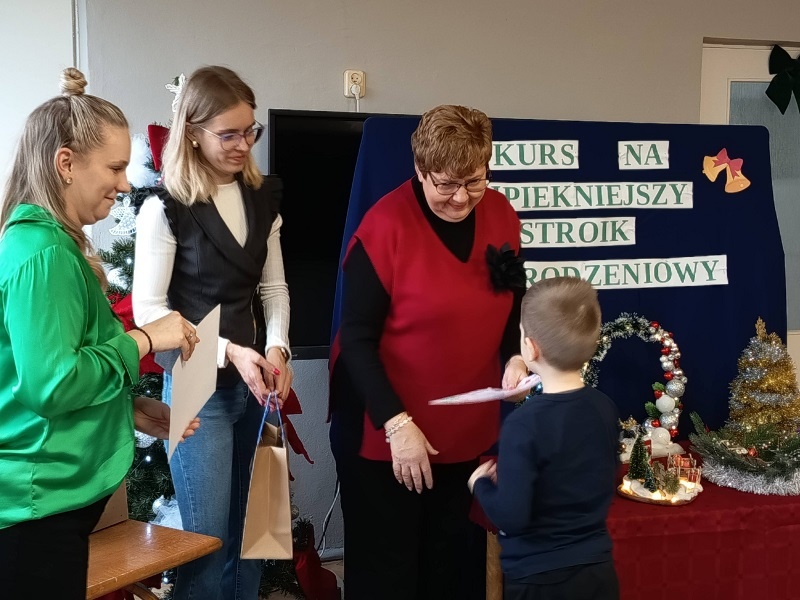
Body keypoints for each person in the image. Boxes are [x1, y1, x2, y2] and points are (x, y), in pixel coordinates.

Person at [0, 68, 199, 600]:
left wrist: (126, 408)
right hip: (35, 510)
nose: (126, 183)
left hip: (46, 507)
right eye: (114, 167)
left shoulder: (50, 246)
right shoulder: (43, 254)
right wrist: (144, 339)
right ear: (66, 164)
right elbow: (51, 386)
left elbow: (47, 366)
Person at [329, 104, 529, 599]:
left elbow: (512, 298)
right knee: (389, 574)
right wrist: (398, 426)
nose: (461, 197)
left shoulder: (501, 213)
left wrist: (514, 357)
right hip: (385, 429)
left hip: (465, 429)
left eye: (474, 181)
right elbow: (356, 339)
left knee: (451, 568)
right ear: (420, 170)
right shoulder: (384, 228)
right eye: (446, 184)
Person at [132, 65, 292, 600]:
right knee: (207, 545)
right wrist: (232, 352)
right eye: (229, 134)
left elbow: (274, 289)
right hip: (198, 384)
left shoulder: (263, 198)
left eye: (250, 131)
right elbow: (150, 311)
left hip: (259, 384)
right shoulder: (164, 208)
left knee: (259, 536)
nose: (244, 144)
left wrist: (277, 347)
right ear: (192, 132)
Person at [469, 276, 620, 600]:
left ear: (530, 347)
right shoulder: (605, 408)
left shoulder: (523, 424)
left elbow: (511, 517)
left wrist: (480, 485)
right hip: (597, 570)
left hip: (539, 578)